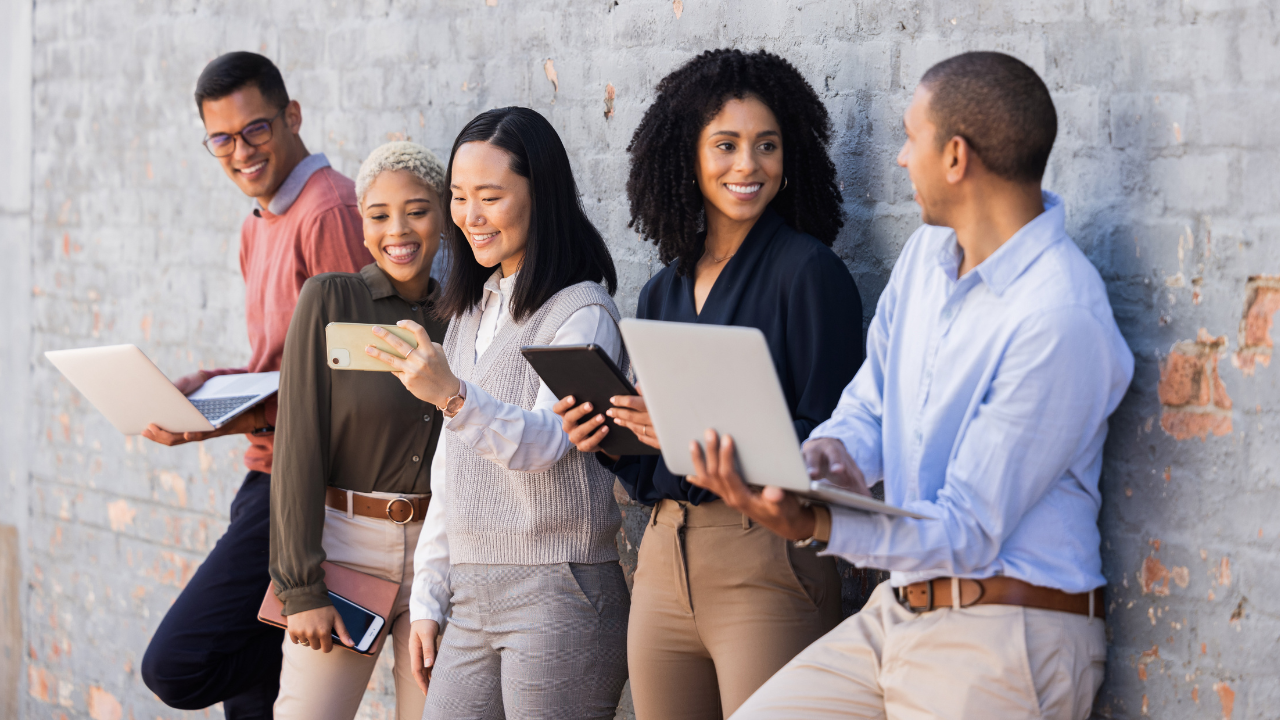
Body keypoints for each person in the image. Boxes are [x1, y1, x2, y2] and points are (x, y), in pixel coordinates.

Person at [685, 52, 1135, 720]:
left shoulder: (1059, 316)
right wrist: (827, 458)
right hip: (896, 610)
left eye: (910, 136)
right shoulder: (928, 256)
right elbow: (870, 401)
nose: (899, 158)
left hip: (1005, 639)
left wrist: (814, 518)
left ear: (955, 158)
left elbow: (968, 529)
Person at [554, 49, 864, 720]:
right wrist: (614, 440)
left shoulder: (810, 275)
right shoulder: (663, 289)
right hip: (664, 560)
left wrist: (694, 437)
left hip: (767, 557)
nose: (748, 164)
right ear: (687, 157)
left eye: (767, 146)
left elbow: (834, 446)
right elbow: (658, 468)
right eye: (725, 145)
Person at [368, 107, 629, 720]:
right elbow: (450, 469)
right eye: (459, 197)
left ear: (543, 196)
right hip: (471, 591)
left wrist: (452, 396)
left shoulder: (581, 310)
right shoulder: (471, 309)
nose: (470, 217)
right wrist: (429, 599)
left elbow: (547, 441)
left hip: (557, 589)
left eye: (490, 197)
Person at [139, 51, 371, 719]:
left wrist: (225, 418)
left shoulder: (331, 211)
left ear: (292, 116)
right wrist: (205, 386)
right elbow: (282, 360)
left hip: (306, 488)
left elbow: (359, 377)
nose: (240, 151)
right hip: (264, 476)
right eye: (221, 138)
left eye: (256, 130)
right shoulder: (259, 222)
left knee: (179, 664)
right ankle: (281, 640)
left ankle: (289, 639)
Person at [268, 141, 448, 720]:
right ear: (363, 227)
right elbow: (297, 448)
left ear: (443, 215)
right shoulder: (330, 299)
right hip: (346, 552)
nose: (399, 229)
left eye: (418, 210)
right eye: (379, 215)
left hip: (439, 560)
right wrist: (301, 588)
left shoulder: (462, 316)